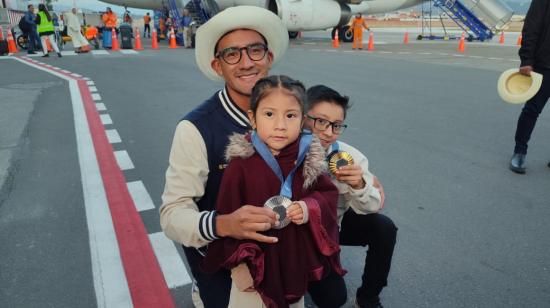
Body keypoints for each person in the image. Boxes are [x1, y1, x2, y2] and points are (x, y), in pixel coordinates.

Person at [159, 6, 289, 307]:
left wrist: (355, 173)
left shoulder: (288, 109)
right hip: (223, 253)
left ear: (268, 58)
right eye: (232, 54)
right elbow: (172, 215)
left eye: (255, 50)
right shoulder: (196, 128)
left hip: (278, 243)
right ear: (218, 66)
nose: (246, 62)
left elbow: (319, 151)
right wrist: (225, 224)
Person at [201, 75, 345, 308]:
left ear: (302, 121)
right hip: (254, 263)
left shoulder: (309, 157)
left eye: (290, 116)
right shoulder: (240, 163)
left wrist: (308, 208)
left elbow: (327, 195)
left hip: (293, 259)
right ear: (253, 118)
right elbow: (227, 215)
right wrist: (238, 266)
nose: (280, 125)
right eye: (269, 114)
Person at [304, 85, 397, 308]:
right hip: (291, 232)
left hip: (330, 228)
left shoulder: (348, 156)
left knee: (383, 227)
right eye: (321, 122)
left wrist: (359, 184)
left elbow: (372, 206)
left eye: (336, 125)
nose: (328, 132)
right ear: (301, 117)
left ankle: (368, 298)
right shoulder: (281, 147)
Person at [509, 0, 550, 174]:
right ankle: (519, 152)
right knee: (532, 110)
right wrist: (527, 60)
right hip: (544, 65)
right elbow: (532, 26)